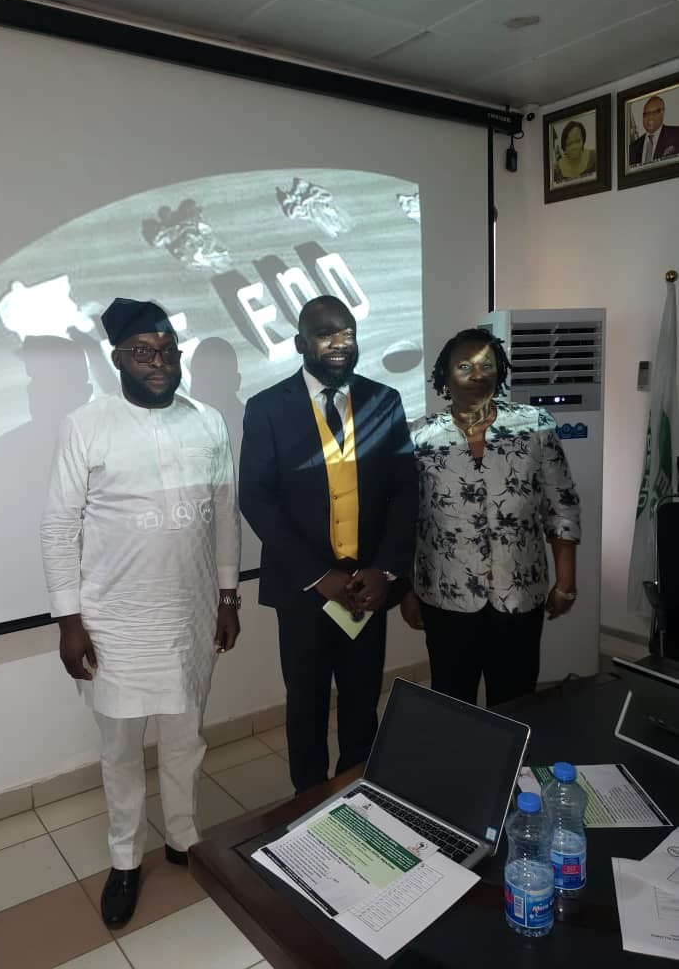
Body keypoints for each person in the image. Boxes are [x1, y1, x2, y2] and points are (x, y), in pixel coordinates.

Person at [40, 298, 240, 928]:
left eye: (168, 350)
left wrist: (228, 597)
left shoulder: (208, 422)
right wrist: (68, 618)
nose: (159, 363)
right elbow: (57, 526)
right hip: (113, 623)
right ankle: (125, 860)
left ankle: (183, 839)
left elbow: (225, 516)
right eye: (143, 352)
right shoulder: (86, 425)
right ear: (117, 358)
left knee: (186, 740)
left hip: (188, 616)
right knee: (121, 751)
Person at [239, 295, 417, 794]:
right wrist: (320, 576)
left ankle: (361, 796)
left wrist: (385, 571)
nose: (340, 344)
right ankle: (309, 803)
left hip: (369, 586)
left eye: (348, 333)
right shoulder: (268, 408)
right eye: (325, 334)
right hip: (304, 591)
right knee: (307, 703)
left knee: (363, 699)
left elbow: (405, 491)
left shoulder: (385, 400)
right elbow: (257, 499)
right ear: (299, 343)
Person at [400, 328, 580, 708]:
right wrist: (407, 589)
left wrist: (566, 580)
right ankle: (459, 767)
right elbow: (408, 522)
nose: (477, 374)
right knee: (452, 701)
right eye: (464, 366)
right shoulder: (419, 437)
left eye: (487, 365)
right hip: (445, 596)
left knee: (515, 702)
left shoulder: (536, 426)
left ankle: (514, 768)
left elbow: (561, 504)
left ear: (500, 372)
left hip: (520, 591)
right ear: (444, 377)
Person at [628, 95, 679, 166]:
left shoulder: (676, 135)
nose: (650, 117)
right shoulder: (632, 148)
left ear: (662, 113)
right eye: (646, 114)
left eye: (654, 112)